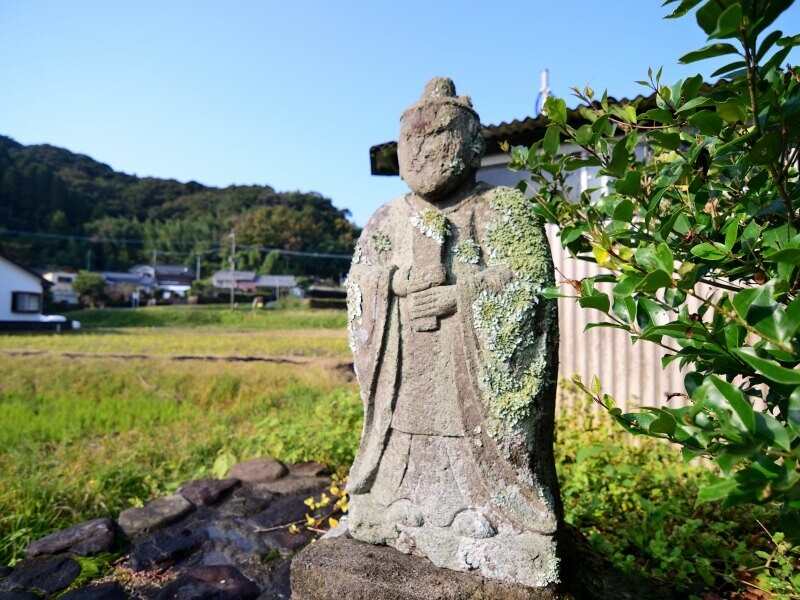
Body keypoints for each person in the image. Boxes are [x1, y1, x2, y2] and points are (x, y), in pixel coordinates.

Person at [345, 78, 562, 588]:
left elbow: (527, 283)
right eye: (409, 142)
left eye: (435, 136)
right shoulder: (387, 218)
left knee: (471, 439)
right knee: (404, 433)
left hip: (469, 380)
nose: (419, 151)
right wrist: (395, 284)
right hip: (406, 371)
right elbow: (361, 281)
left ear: (469, 143)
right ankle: (396, 502)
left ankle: (491, 510)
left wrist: (461, 293)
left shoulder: (503, 210)